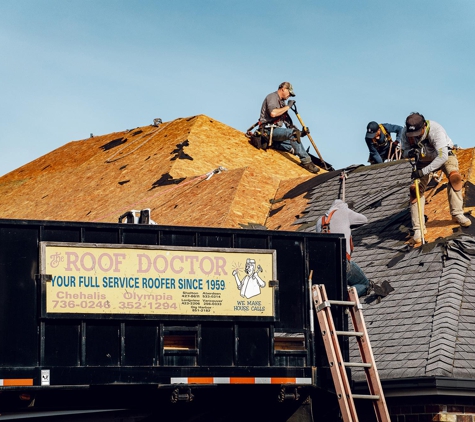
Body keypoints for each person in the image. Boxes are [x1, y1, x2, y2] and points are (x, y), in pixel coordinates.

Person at [401, 112, 471, 243]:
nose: (415, 137)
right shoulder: (405, 133)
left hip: (443, 156)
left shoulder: (435, 130)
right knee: (414, 190)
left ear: (424, 127)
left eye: (417, 133)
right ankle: (418, 228)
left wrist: (424, 172)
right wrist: (409, 153)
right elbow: (404, 151)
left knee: (455, 178)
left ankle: (457, 214)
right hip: (422, 161)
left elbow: (442, 156)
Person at [259, 82, 320, 174]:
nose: (290, 96)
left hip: (275, 134)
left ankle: (272, 144)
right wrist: (288, 106)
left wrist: (301, 133)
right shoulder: (272, 97)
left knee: (294, 143)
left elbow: (290, 126)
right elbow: (273, 113)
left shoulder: (282, 104)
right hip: (267, 131)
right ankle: (306, 162)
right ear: (283, 89)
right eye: (289, 93)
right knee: (293, 134)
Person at [316, 199, 371, 297]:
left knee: (337, 286)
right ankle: (345, 299)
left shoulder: (320, 221)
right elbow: (364, 219)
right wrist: (347, 210)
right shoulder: (344, 212)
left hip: (325, 266)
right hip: (342, 262)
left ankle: (339, 296)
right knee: (364, 284)